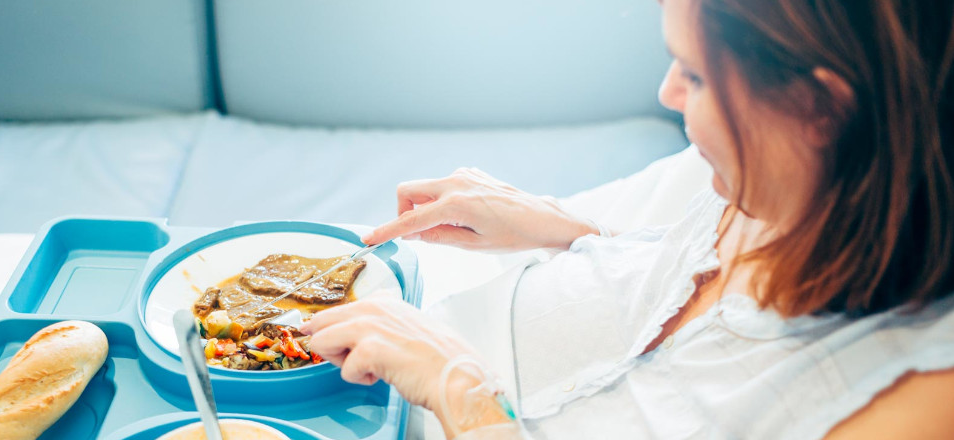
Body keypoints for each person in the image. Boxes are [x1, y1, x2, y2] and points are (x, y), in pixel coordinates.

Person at [297, 0, 954, 438]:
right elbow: (688, 294)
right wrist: (558, 224)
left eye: (695, 76)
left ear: (819, 107)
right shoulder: (786, 171)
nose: (667, 94)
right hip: (409, 355)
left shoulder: (907, 399)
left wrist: (466, 397)